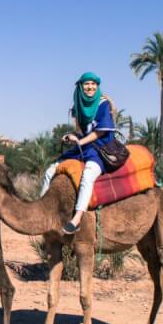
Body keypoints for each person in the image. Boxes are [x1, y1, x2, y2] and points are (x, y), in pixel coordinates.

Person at [40, 72, 116, 234]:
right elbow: (81, 131)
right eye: (87, 84)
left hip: (100, 147)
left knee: (88, 175)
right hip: (84, 147)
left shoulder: (103, 104)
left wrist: (80, 141)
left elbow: (100, 133)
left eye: (93, 84)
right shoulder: (78, 105)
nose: (90, 87)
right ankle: (42, 211)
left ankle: (77, 219)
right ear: (81, 86)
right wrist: (73, 137)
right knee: (50, 171)